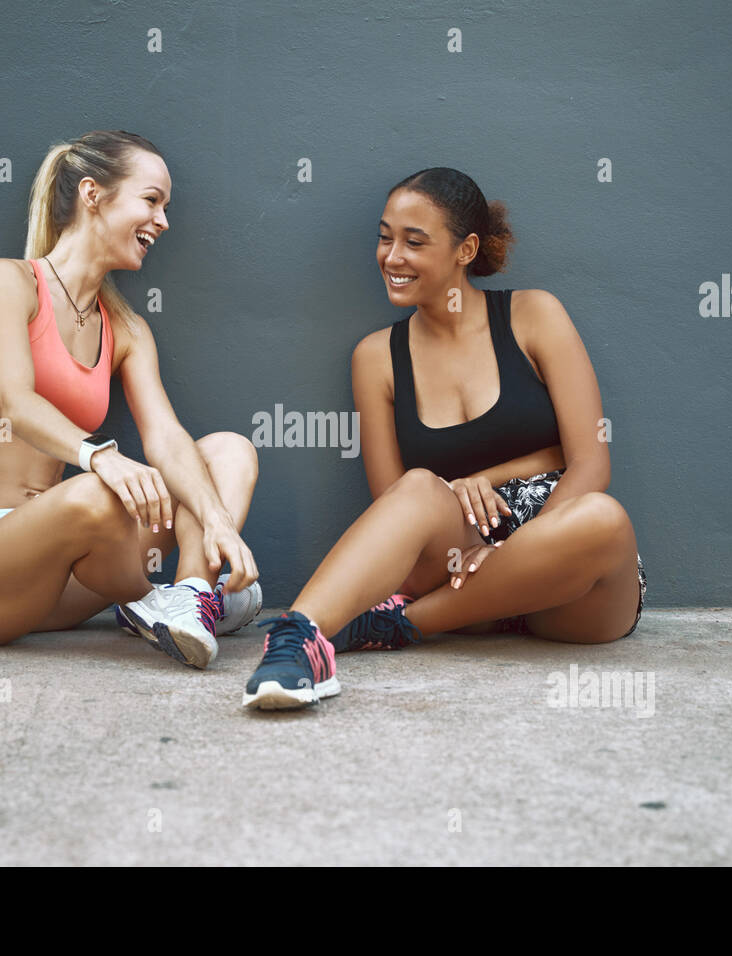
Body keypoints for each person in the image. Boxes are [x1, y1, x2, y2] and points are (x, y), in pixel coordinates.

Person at [242, 167, 647, 709]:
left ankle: (392, 626)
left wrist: (501, 513)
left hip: (567, 584)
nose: (392, 257)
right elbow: (393, 502)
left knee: (604, 518)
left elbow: (591, 463)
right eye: (385, 238)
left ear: (466, 249)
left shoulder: (534, 316)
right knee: (416, 489)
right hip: (457, 567)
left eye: (414, 242)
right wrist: (454, 494)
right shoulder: (376, 357)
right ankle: (297, 641)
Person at [0, 130, 262, 668]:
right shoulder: (7, 282)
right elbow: (17, 403)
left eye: (166, 207)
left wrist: (216, 521)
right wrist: (101, 455)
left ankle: (190, 598)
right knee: (93, 495)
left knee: (229, 453)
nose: (163, 221)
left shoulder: (126, 330)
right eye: (151, 200)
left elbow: (167, 439)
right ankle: (148, 598)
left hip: (64, 582)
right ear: (92, 194)